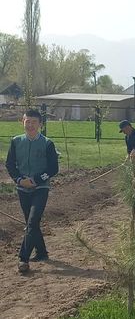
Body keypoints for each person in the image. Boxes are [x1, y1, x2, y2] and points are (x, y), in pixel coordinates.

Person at [5, 110, 59, 273]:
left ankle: (23, 258)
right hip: (22, 188)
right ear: (22, 122)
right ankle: (42, 252)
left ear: (40, 124)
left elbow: (53, 168)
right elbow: (10, 165)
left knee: (32, 221)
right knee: (31, 223)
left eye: (34, 122)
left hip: (40, 188)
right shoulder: (16, 141)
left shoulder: (47, 143)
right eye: (27, 121)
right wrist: (20, 180)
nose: (30, 125)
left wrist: (36, 180)